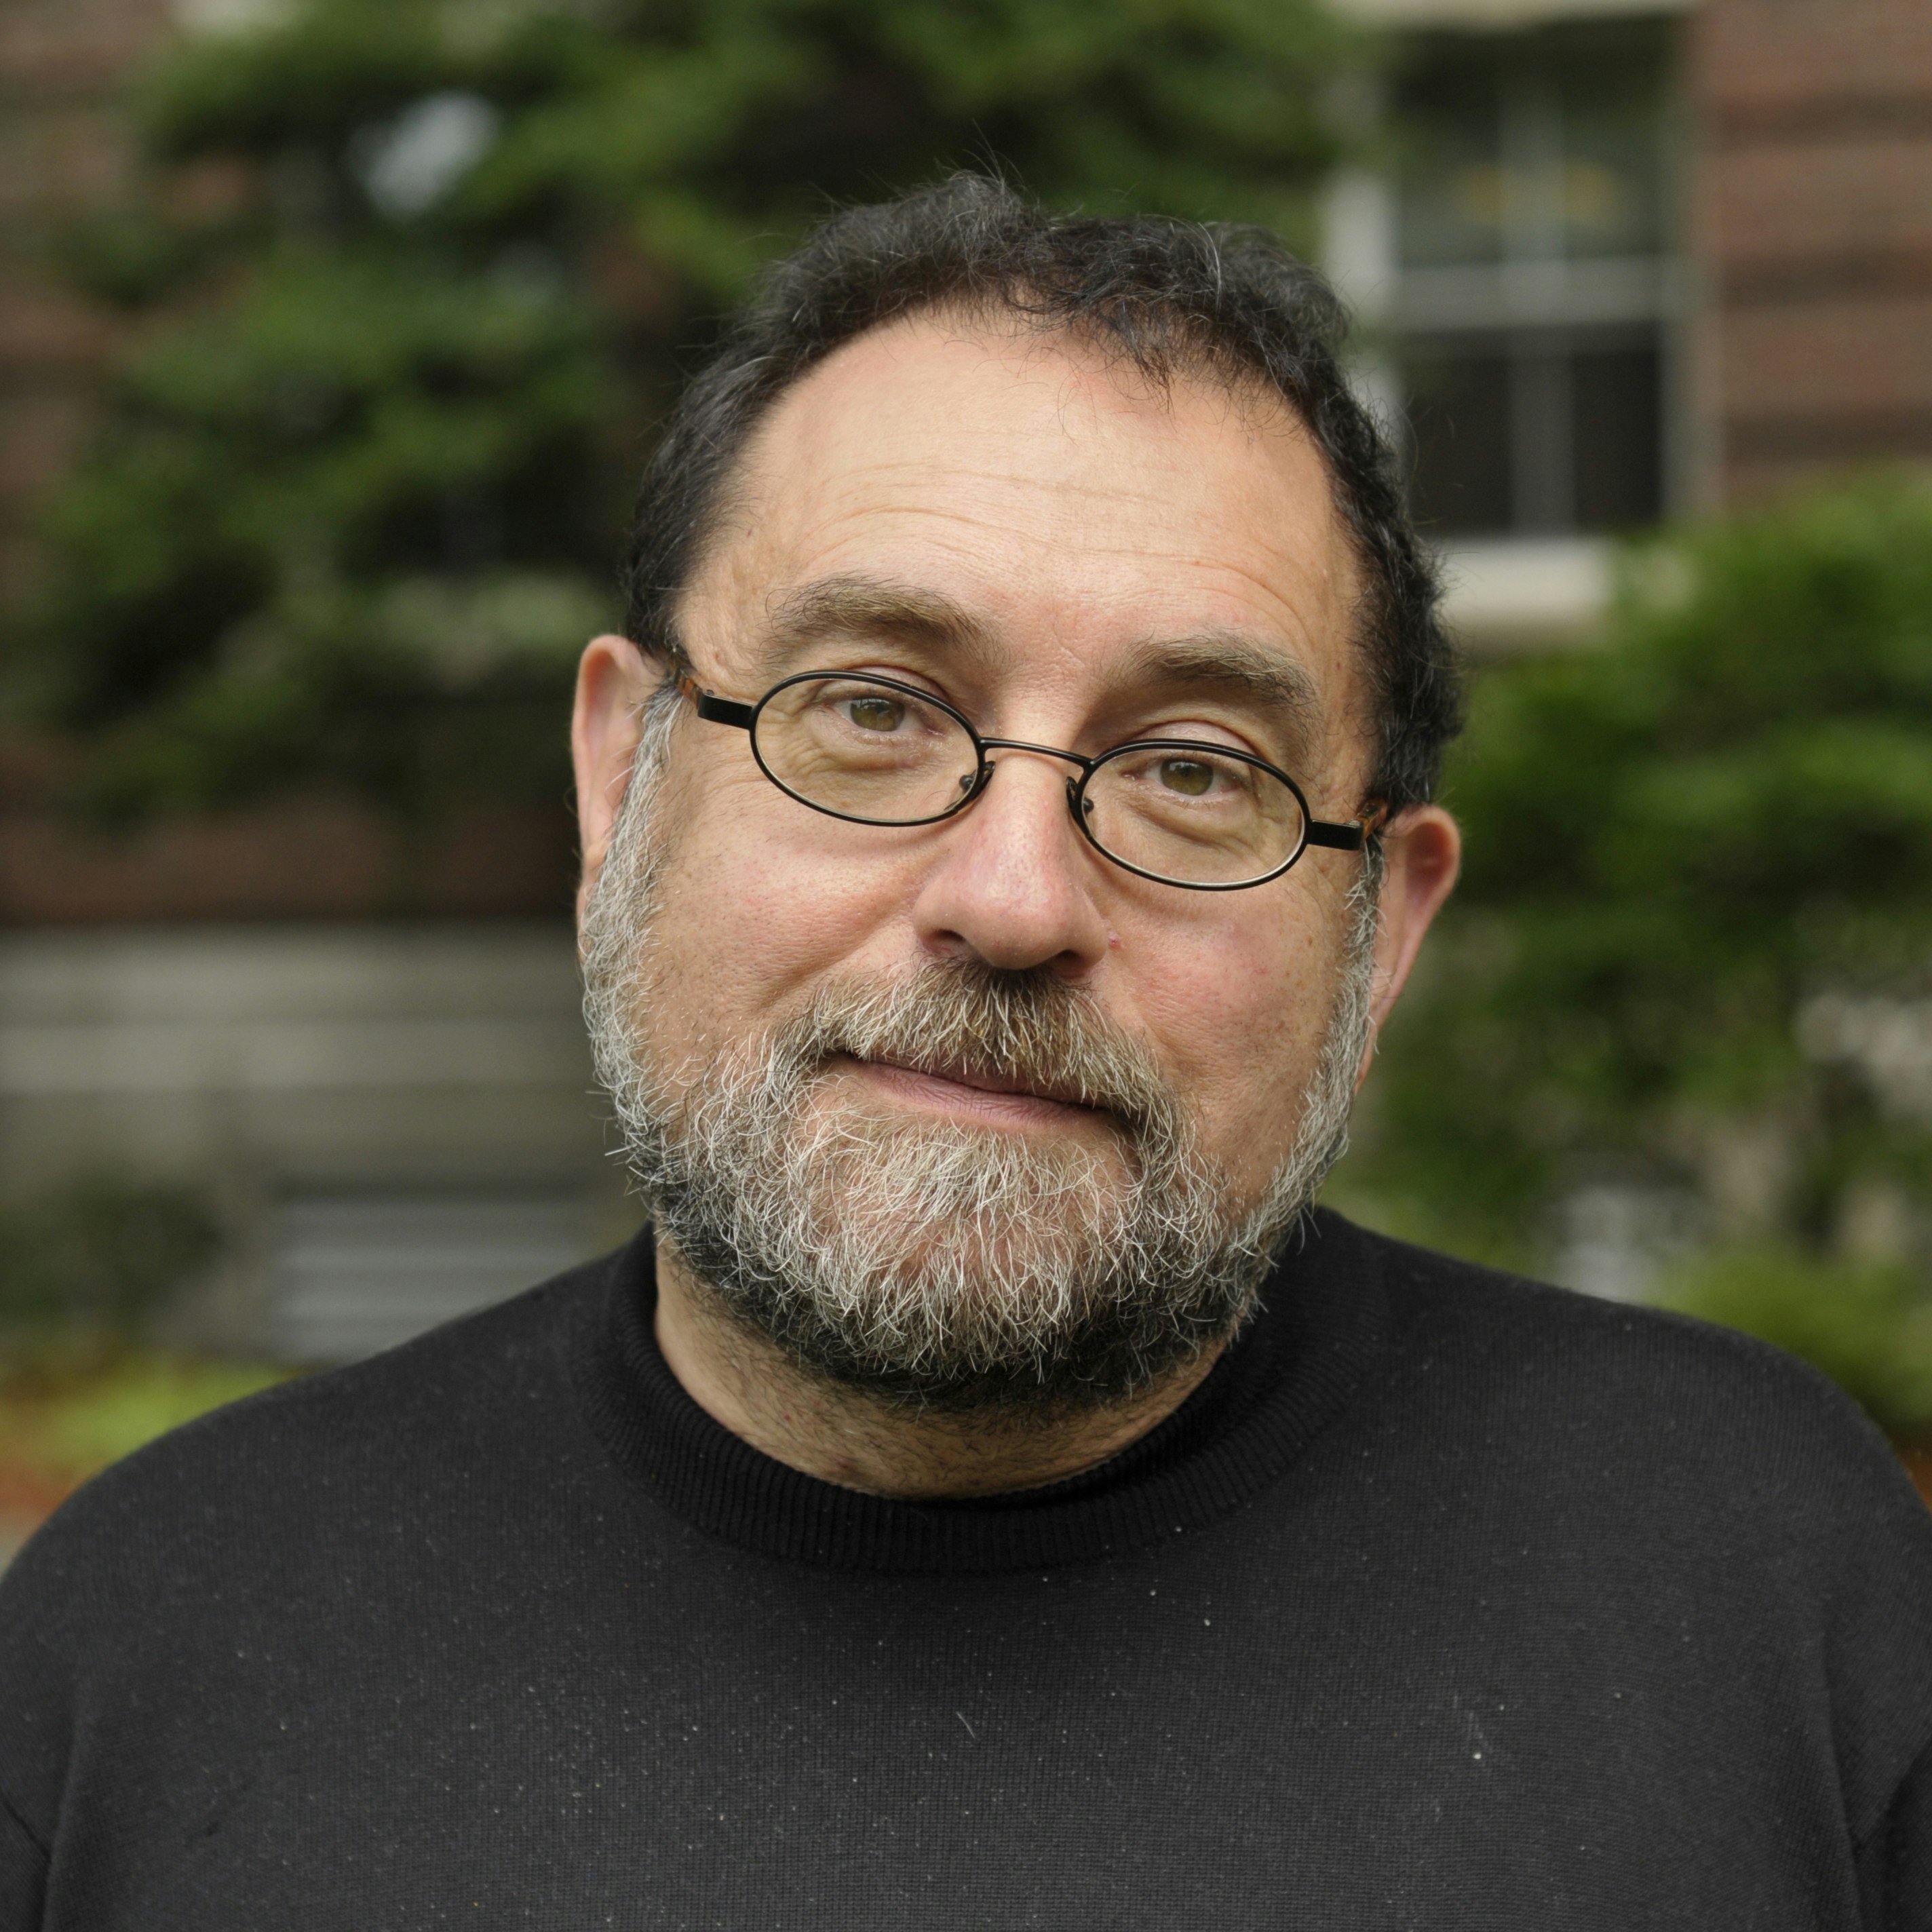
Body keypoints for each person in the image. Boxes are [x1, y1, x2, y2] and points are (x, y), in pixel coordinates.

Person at [3, 176, 1928, 1931]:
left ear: (1384, 929)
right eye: (870, 708)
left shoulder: (1764, 1590)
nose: (1013, 898)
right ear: (622, 776)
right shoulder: (146, 1651)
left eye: (1193, 770)